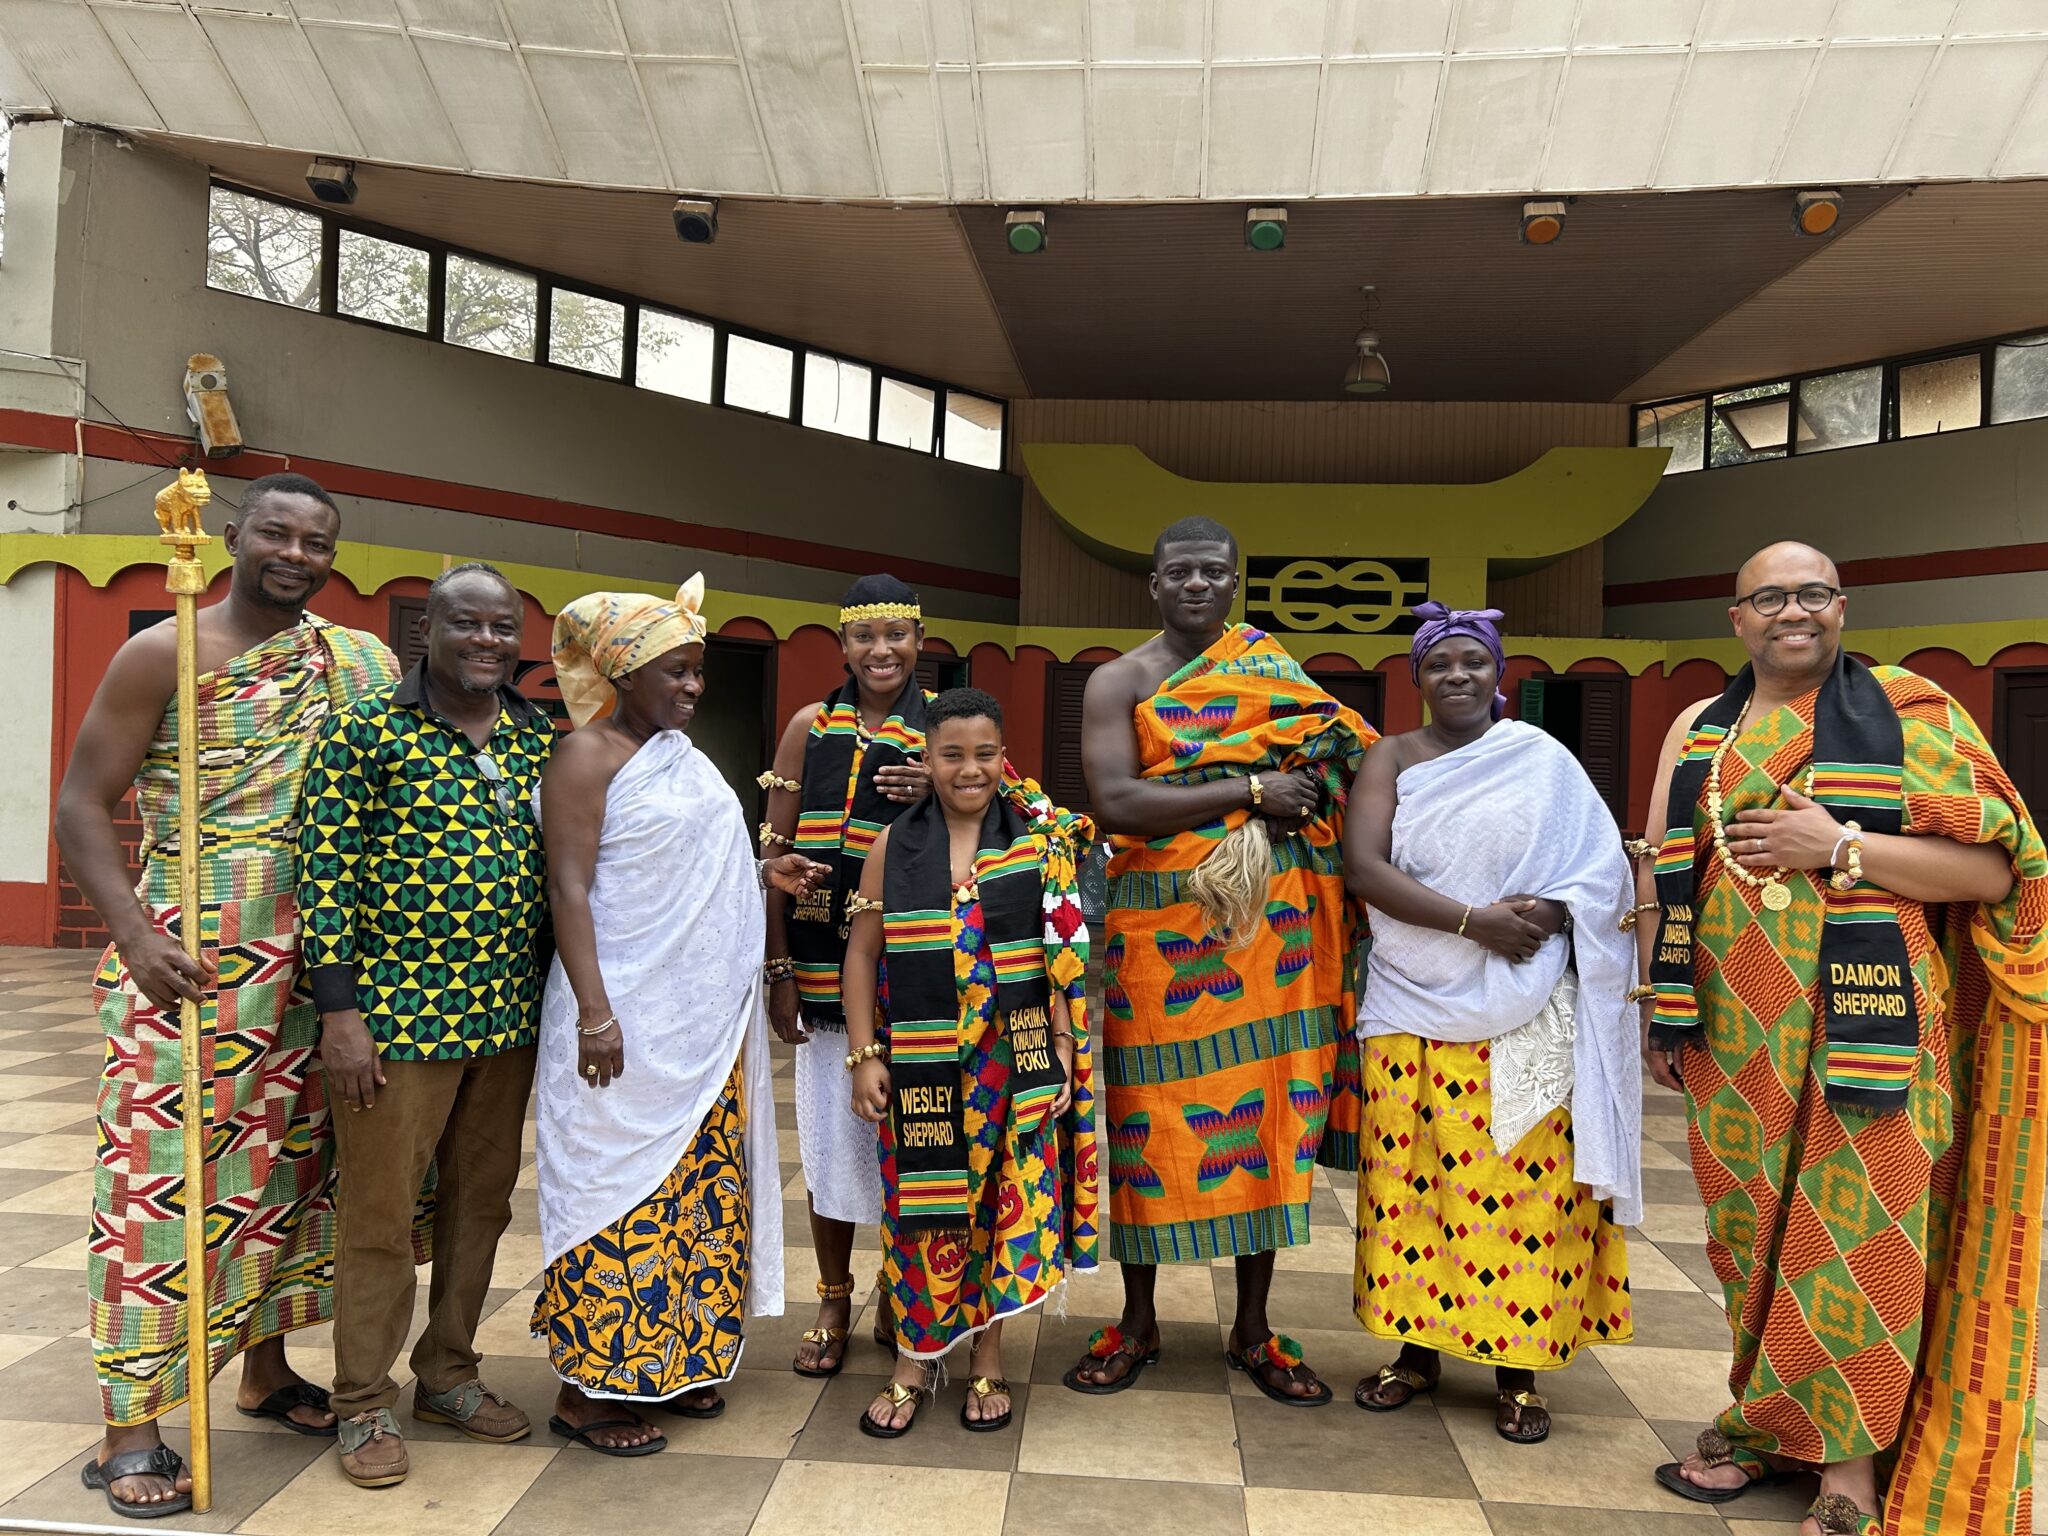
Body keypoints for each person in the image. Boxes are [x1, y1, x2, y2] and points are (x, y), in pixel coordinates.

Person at [1641, 542, 2045, 1536]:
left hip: (1873, 1031)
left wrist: (1839, 847)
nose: (1792, 610)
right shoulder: (1697, 727)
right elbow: (1663, 871)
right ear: (1734, 619)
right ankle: (1766, 1426)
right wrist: (1659, 1003)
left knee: (1857, 1239)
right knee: (1749, 1243)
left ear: (1840, 607)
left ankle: (1850, 1470)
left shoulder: (1910, 713)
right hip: (1731, 1036)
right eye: (1768, 597)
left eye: (1811, 593)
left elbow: (1997, 875)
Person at [53, 472, 399, 1519]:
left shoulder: (360, 661)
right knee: (158, 1185)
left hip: (322, 964)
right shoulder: (163, 651)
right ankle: (131, 1426)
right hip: (192, 962)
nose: (296, 553)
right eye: (276, 533)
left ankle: (264, 1367)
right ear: (234, 536)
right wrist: (135, 932)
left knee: (292, 1175)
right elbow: (79, 803)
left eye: (318, 541)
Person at [1068, 516, 1374, 1404]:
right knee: (1144, 1121)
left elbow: (1346, 754)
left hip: (1271, 939)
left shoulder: (1275, 675)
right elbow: (1119, 802)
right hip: (1154, 942)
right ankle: (1137, 1321)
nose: (1198, 585)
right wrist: (1251, 789)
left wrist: (1302, 795)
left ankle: (1252, 1328)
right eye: (1180, 573)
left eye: (1214, 572)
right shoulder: (1118, 680)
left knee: (1268, 1115)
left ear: (1234, 583)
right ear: (1154, 586)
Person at [530, 578, 819, 1454]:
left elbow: (694, 858)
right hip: (618, 1013)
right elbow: (569, 886)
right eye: (678, 672)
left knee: (697, 1189)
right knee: (615, 1188)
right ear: (625, 671)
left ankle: (677, 1362)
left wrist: (763, 876)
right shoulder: (587, 755)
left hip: (698, 1030)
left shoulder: (685, 757)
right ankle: (590, 1392)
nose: (695, 688)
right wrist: (593, 1010)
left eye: (699, 674)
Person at [1343, 603, 1639, 1444]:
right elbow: (1363, 866)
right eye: (1439, 665)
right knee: (1412, 1180)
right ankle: (1414, 1355)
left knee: (1524, 1186)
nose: (1458, 676)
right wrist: (1477, 921)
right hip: (1412, 997)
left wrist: (1541, 911)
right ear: (1417, 680)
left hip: (1526, 998)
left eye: (1473, 661)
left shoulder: (1540, 759)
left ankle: (1520, 1371)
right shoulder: (1392, 758)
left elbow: (1598, 864)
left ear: (1498, 672)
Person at [298, 561, 554, 1488]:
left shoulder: (536, 738)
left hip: (507, 1017)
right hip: (396, 1025)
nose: (487, 641)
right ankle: (362, 1403)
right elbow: (322, 873)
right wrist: (340, 1012)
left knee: (482, 1206)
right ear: (430, 633)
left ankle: (448, 1370)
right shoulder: (367, 731)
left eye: (501, 628)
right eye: (467, 625)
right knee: (378, 1215)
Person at [840, 689, 1097, 1436]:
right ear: (926, 757)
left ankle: (989, 1356)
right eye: (951, 754)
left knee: (998, 1208)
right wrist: (863, 1055)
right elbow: (862, 953)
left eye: (985, 753)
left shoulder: (1035, 845)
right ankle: (914, 1362)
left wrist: (1059, 1049)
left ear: (1002, 754)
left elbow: (1061, 956)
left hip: (1010, 1064)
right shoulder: (895, 844)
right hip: (923, 1065)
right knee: (919, 1215)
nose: (970, 768)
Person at [759, 575, 936, 1377]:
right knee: (831, 1146)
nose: (881, 651)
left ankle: (904, 1293)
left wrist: (937, 788)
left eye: (895, 634)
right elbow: (773, 857)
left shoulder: (946, 725)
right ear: (842, 646)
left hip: (924, 973)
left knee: (914, 1142)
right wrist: (779, 967)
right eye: (865, 636)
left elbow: (1005, 821)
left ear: (919, 640)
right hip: (825, 972)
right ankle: (834, 1295)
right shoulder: (809, 727)